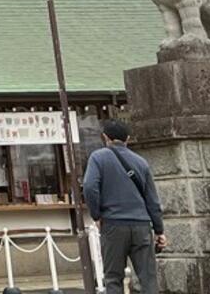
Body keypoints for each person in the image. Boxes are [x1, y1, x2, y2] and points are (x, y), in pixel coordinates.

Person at [82, 119, 166, 294]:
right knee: (148, 277)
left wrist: (97, 215)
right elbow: (152, 199)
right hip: (141, 225)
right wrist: (159, 230)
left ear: (105, 137)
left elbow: (90, 187)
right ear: (127, 138)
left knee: (113, 277)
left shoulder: (98, 157)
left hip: (113, 224)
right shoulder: (141, 162)